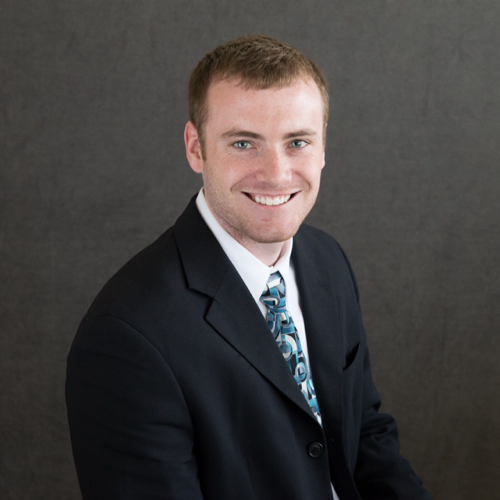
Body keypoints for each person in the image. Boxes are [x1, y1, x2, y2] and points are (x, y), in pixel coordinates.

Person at [66, 35, 432, 500]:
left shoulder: (327, 262)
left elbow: (365, 436)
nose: (277, 174)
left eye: (297, 142)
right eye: (243, 143)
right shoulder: (125, 337)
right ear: (196, 148)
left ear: (323, 149)